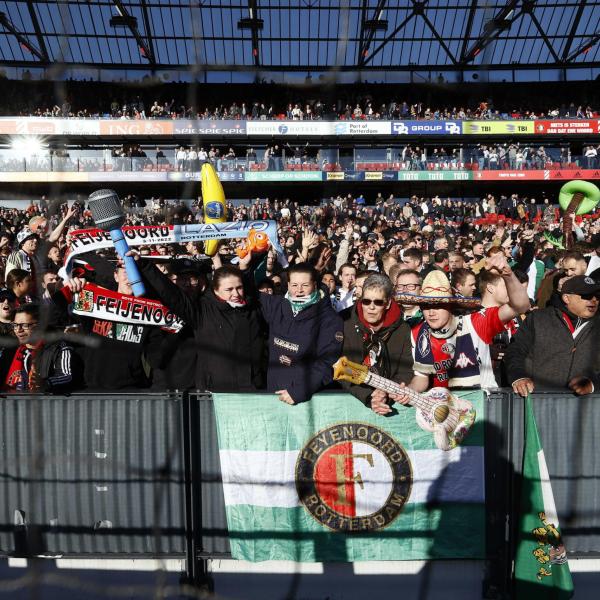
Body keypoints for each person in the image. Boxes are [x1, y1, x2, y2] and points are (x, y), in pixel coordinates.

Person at [395, 253, 530, 392]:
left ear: (450, 306)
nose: (431, 312)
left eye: (438, 305)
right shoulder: (418, 332)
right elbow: (421, 378)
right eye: (426, 306)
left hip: (482, 405)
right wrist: (407, 391)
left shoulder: (475, 322)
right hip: (445, 407)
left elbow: (521, 306)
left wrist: (507, 274)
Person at [137, 259, 265, 393]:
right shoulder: (202, 310)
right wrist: (145, 266)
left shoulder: (253, 308)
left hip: (252, 389)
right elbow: (172, 295)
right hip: (214, 393)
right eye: (229, 289)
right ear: (216, 290)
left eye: (239, 288)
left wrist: (247, 266)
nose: (236, 294)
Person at [240, 259, 342, 405]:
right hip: (274, 393)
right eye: (294, 285)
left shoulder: (329, 319)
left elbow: (327, 363)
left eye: (305, 285)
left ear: (315, 285)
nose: (299, 290)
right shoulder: (278, 305)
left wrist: (299, 391)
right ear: (287, 285)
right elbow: (251, 294)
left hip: (307, 398)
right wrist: (245, 268)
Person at [506, 275, 600, 397]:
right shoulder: (538, 318)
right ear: (567, 298)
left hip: (586, 406)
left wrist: (593, 384)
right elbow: (515, 351)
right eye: (586, 296)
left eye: (597, 296)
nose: (594, 300)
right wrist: (518, 377)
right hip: (538, 400)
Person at [340, 274, 413, 415]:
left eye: (378, 302)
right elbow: (343, 368)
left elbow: (406, 371)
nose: (371, 307)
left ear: (388, 304)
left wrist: (385, 391)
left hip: (390, 399)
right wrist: (369, 396)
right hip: (351, 402)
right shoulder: (345, 323)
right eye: (366, 301)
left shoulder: (403, 329)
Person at [2, 304, 76, 392]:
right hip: (11, 403)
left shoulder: (58, 347)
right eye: (15, 325)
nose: (18, 330)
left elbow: (66, 376)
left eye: (25, 325)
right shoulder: (10, 350)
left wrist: (45, 383)